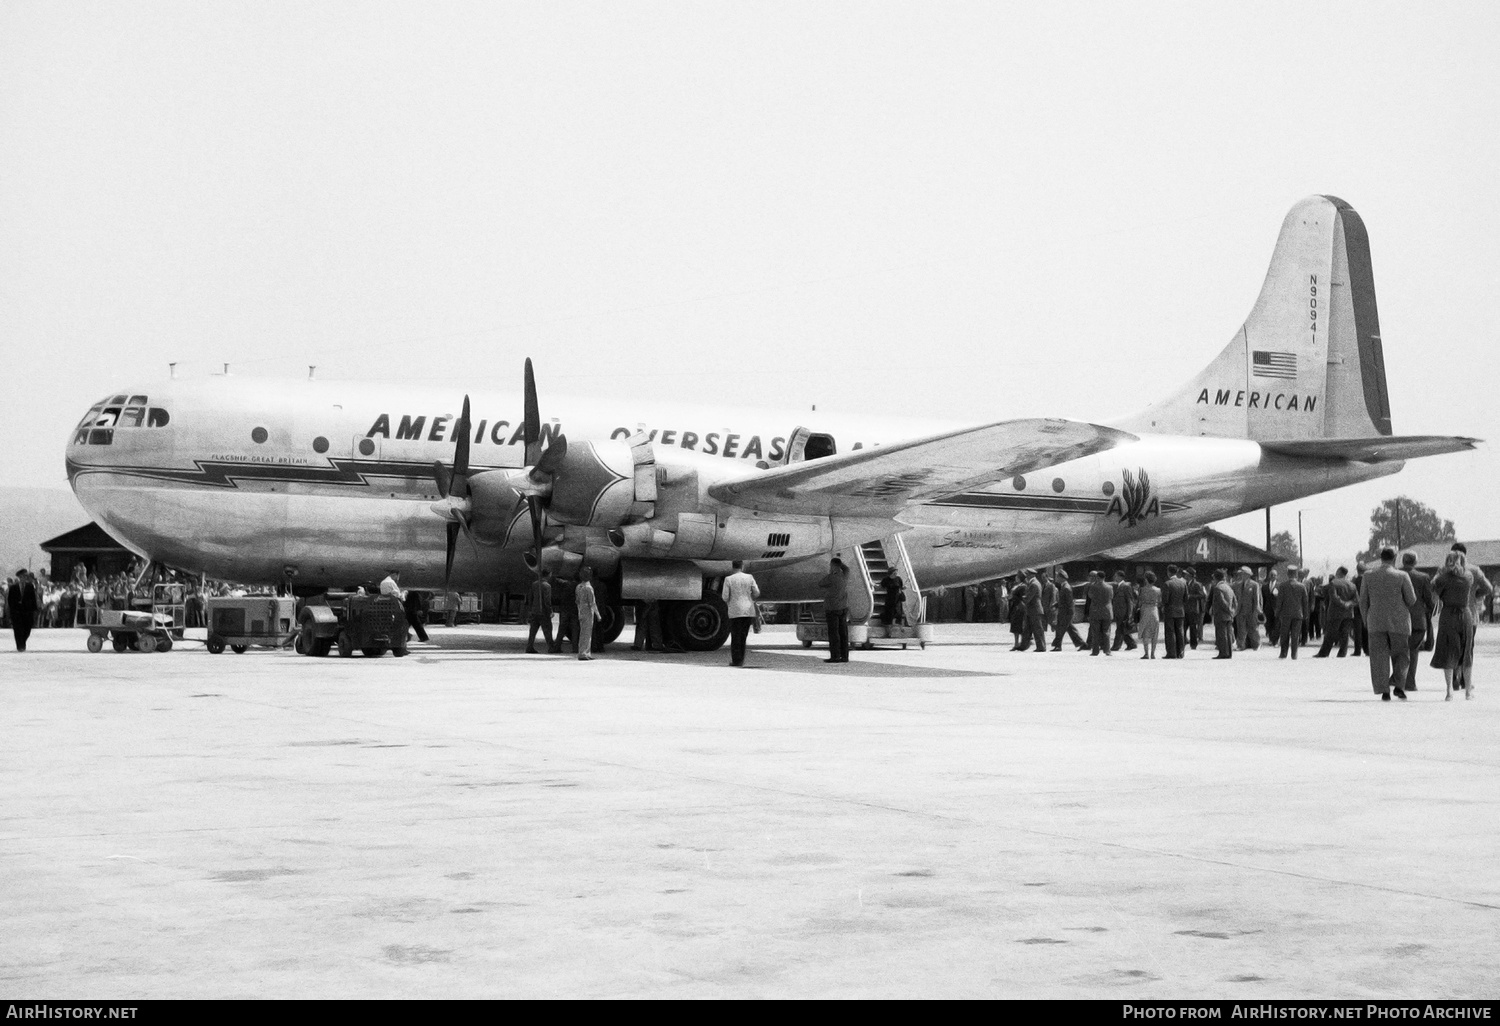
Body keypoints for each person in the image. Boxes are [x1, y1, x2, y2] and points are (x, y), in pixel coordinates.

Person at [1359, 547, 1417, 701]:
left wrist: (1366, 620)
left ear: (1380, 558)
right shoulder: (1402, 575)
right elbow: (1411, 600)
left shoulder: (1368, 575)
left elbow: (1363, 601)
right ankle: (1399, 686)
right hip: (1399, 622)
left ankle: (1384, 690)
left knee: (1378, 657)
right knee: (1402, 655)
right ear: (1395, 558)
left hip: (1375, 622)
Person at [1450, 542, 1494, 695]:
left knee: (1453, 647)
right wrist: (1477, 594)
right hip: (1470, 614)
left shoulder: (1446, 570)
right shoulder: (1475, 570)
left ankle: (1454, 677)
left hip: (1451, 614)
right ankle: (1465, 679)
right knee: (1467, 648)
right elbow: (1488, 587)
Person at [1431, 551, 1474, 700]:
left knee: (1448, 652)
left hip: (1448, 615)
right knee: (1466, 653)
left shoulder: (1442, 579)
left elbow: (1434, 593)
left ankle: (1449, 689)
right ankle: (1468, 691)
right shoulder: (1469, 577)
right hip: (1465, 614)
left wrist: (1439, 574)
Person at [1400, 552, 1433, 692]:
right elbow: (1429, 600)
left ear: (1402, 561)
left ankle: (1398, 679)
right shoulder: (1423, 577)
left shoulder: (1396, 575)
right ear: (1415, 562)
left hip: (1399, 619)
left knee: (1400, 650)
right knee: (1413, 651)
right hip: (1418, 620)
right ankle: (1410, 682)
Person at [723, 560, 761, 667]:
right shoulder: (749, 577)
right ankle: (741, 659)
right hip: (748, 610)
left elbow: (725, 597)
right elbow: (757, 592)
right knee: (743, 636)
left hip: (735, 611)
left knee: (735, 636)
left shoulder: (728, 579)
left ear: (732, 567)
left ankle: (736, 661)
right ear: (742, 566)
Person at [1314, 568, 1358, 657]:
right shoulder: (1352, 585)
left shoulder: (1333, 583)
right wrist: (1348, 603)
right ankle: (1342, 652)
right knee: (1345, 633)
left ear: (1338, 572)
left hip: (1335, 612)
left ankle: (1324, 653)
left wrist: (1343, 603)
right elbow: (1357, 599)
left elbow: (1333, 597)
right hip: (1348, 613)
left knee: (1330, 633)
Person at [818, 556, 851, 663]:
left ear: (832, 566)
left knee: (834, 633)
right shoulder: (844, 575)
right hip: (843, 607)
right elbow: (847, 569)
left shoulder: (831, 577)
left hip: (832, 607)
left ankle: (835, 656)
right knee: (843, 633)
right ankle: (845, 656)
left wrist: (831, 572)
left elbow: (821, 583)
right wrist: (840, 565)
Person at [1050, 569, 1086, 651]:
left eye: (1057, 576)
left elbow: (1069, 602)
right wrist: (1056, 604)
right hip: (1064, 612)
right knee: (1070, 629)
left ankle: (1058, 646)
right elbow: (1063, 600)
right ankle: (1082, 644)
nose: (1056, 578)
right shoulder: (1064, 586)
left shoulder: (1066, 588)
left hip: (1066, 613)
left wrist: (1070, 614)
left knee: (1060, 629)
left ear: (1061, 577)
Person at [1277, 569, 1308, 659]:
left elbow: (1280, 601)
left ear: (1288, 574)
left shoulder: (1283, 586)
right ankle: (1294, 654)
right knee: (1295, 635)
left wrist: (1277, 612)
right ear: (1296, 575)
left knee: (1284, 634)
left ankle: (1283, 653)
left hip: (1285, 614)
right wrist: (1305, 614)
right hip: (1298, 614)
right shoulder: (1302, 586)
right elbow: (1305, 602)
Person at [524, 571, 555, 654]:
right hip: (543, 612)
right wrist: (550, 611)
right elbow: (547, 600)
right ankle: (551, 647)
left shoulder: (534, 584)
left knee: (533, 631)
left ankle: (529, 646)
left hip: (535, 610)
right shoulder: (547, 586)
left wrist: (530, 609)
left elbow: (530, 597)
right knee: (548, 630)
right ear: (548, 575)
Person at [7, 570, 38, 652]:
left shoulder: (30, 586)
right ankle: (20, 646)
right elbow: (10, 600)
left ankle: (22, 642)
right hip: (17, 612)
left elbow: (33, 598)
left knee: (27, 629)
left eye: (25, 577)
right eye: (22, 577)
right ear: (19, 577)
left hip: (27, 611)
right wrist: (13, 610)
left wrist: (34, 609)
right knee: (18, 629)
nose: (23, 578)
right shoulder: (13, 587)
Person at [574, 567, 601, 660]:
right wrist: (598, 614)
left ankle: (585, 652)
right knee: (587, 633)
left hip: (581, 611)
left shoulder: (578, 587)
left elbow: (577, 601)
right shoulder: (589, 588)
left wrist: (579, 611)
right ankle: (583, 653)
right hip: (588, 612)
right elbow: (592, 603)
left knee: (583, 633)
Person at [1210, 569, 1238, 658]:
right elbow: (1235, 601)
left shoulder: (1218, 588)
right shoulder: (1228, 587)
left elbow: (1222, 602)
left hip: (1221, 614)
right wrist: (1233, 611)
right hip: (1229, 616)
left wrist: (1228, 610)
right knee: (1229, 634)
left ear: (1215, 578)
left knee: (1221, 635)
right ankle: (1229, 653)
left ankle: (1223, 653)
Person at [1233, 567, 1262, 650]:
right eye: (1241, 573)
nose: (1241, 575)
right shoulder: (1237, 584)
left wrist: (1257, 610)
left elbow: (1257, 598)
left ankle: (1257, 644)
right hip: (1240, 610)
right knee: (1241, 629)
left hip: (1251, 610)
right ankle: (1241, 645)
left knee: (1253, 629)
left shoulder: (1254, 584)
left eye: (1243, 573)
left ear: (1248, 574)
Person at [1162, 565, 1188, 659]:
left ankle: (1171, 653)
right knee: (1180, 631)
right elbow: (1186, 598)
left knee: (1170, 632)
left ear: (1169, 572)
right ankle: (1180, 652)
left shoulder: (1167, 584)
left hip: (1170, 610)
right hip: (1180, 610)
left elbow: (1165, 600)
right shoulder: (1183, 583)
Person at [1086, 571, 1113, 656]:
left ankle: (1095, 651)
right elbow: (1111, 597)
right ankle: (1107, 650)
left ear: (1097, 577)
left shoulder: (1093, 586)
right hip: (1107, 611)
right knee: (1106, 631)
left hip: (1095, 611)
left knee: (1095, 632)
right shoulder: (1110, 587)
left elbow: (1090, 595)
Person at [550, 575, 579, 654]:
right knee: (575, 630)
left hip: (564, 609)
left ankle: (557, 647)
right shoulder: (579, 586)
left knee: (562, 629)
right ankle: (575, 648)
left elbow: (557, 580)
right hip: (574, 610)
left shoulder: (566, 584)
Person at [1136, 570, 1162, 659]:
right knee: (1155, 633)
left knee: (1145, 633)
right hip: (1154, 610)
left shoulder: (1142, 590)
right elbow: (1160, 602)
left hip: (1145, 610)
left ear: (1146, 579)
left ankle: (1146, 653)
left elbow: (1139, 601)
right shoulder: (1158, 590)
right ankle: (1153, 653)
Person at [1110, 570, 1137, 651]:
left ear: (1120, 577)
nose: (1114, 577)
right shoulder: (1118, 586)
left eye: (1116, 576)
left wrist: (1129, 614)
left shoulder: (1126, 586)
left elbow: (1130, 601)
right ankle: (1131, 644)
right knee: (1123, 629)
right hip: (1118, 612)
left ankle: (1116, 646)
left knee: (1119, 629)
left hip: (1123, 612)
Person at [1184, 568, 1207, 650]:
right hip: (1185, 609)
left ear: (1190, 575)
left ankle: (1193, 644)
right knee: (1183, 627)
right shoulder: (1185, 584)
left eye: (1186, 574)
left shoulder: (1197, 584)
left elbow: (1202, 595)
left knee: (1193, 628)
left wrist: (1191, 596)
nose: (1185, 575)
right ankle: (1184, 641)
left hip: (1193, 609)